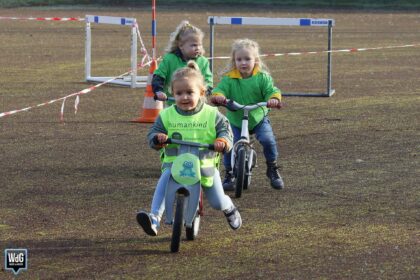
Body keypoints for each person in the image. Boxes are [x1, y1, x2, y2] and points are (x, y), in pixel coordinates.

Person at [136, 61, 242, 236]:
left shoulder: (211, 114)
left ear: (201, 92)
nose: (184, 97)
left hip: (205, 166)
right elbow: (154, 132)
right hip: (174, 164)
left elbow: (226, 130)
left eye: (189, 92)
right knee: (165, 179)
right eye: (179, 93)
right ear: (172, 93)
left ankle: (228, 207)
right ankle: (154, 218)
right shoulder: (167, 115)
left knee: (216, 202)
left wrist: (222, 140)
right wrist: (158, 139)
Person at [210, 38, 285, 191]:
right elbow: (220, 89)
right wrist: (218, 96)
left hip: (258, 117)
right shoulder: (229, 78)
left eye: (247, 59)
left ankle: (272, 168)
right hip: (236, 119)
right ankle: (229, 174)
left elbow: (272, 90)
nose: (243, 63)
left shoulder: (262, 77)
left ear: (255, 60)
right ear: (234, 61)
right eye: (239, 59)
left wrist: (273, 99)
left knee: (267, 140)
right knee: (228, 145)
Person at [152, 20, 213, 105]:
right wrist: (158, 91)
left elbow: (208, 80)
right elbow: (158, 76)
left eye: (200, 45)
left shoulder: (203, 61)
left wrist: (206, 91)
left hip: (196, 104)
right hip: (173, 104)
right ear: (181, 46)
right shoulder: (169, 59)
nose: (198, 48)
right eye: (194, 45)